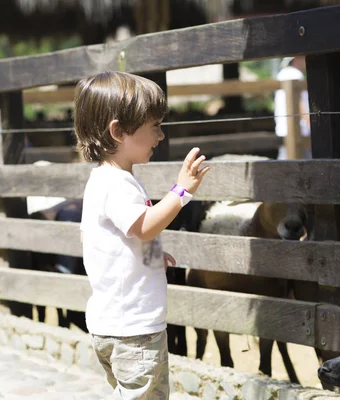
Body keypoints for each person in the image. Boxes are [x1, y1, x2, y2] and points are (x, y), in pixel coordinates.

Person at [73, 71, 210, 399]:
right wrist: (181, 191)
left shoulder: (104, 180)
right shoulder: (118, 184)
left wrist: (148, 258)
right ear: (118, 131)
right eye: (155, 127)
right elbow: (145, 226)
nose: (160, 136)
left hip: (114, 326)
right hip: (133, 331)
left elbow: (119, 238)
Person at [273, 56, 312, 159]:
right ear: (295, 59)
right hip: (299, 129)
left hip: (283, 129)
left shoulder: (282, 74)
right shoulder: (295, 74)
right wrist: (310, 125)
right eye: (302, 58)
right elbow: (299, 104)